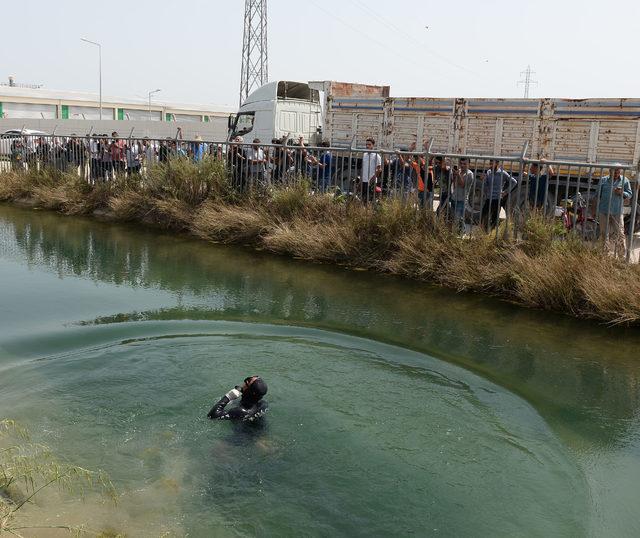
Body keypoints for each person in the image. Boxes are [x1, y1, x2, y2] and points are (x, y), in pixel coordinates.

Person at [594, 166, 632, 258]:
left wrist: (622, 193)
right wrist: (594, 209)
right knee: (604, 234)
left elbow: (629, 194)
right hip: (604, 211)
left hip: (617, 211)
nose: (616, 174)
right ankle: (604, 256)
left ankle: (621, 257)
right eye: (614, 172)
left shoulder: (625, 180)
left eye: (618, 172)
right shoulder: (603, 180)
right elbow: (597, 195)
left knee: (620, 234)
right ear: (610, 171)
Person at [481, 160, 517, 231]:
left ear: (497, 163)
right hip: (489, 198)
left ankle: (491, 234)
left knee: (494, 218)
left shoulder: (502, 173)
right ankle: (483, 232)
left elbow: (514, 182)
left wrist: (506, 192)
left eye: (492, 164)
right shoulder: (489, 172)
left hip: (497, 199)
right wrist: (483, 180)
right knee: (483, 216)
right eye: (490, 164)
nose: (490, 165)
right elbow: (486, 185)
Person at [451, 158, 474, 233]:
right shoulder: (459, 171)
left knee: (457, 219)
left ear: (468, 164)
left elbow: (462, 185)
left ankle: (458, 233)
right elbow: (454, 184)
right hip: (454, 198)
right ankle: (461, 232)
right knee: (456, 218)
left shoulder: (470, 174)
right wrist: (454, 175)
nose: (462, 165)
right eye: (461, 163)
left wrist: (458, 174)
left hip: (462, 200)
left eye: (464, 164)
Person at [360, 137, 381, 204]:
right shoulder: (364, 155)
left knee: (370, 198)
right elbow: (363, 167)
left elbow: (379, 169)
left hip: (371, 181)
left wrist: (373, 178)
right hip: (364, 180)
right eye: (366, 144)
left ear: (373, 145)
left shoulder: (376, 155)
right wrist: (361, 178)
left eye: (369, 144)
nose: (367, 146)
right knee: (363, 198)